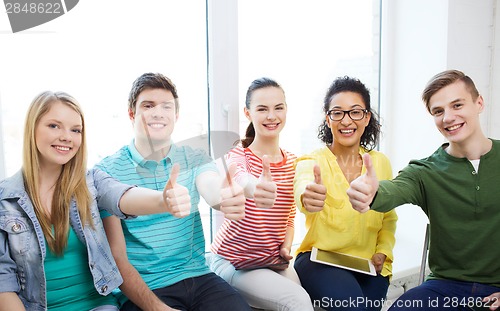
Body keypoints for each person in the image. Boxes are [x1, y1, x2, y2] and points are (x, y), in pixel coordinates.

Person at [0, 91, 191, 311]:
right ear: (32, 128)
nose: (66, 136)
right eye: (54, 126)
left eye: (75, 130)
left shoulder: (91, 181)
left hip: (98, 306)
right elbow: (4, 285)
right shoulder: (5, 199)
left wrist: (162, 201)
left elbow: (121, 195)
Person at [96, 72, 251, 311]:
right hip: (146, 287)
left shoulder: (194, 156)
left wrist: (224, 197)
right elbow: (117, 258)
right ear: (131, 113)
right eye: (148, 105)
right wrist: (158, 308)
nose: (158, 113)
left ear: (176, 115)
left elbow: (211, 187)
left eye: (166, 106)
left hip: (198, 276)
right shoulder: (106, 171)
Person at [347, 69, 500, 311]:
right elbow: (394, 190)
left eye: (457, 105)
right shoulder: (425, 171)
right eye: (438, 111)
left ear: (478, 103)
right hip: (444, 288)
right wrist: (371, 192)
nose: (448, 118)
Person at [207, 77, 313, 311]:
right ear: (248, 113)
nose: (271, 116)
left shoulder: (294, 163)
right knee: (298, 302)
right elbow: (242, 181)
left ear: (286, 110)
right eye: (262, 109)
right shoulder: (238, 155)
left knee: (303, 298)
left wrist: (286, 246)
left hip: (272, 263)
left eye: (278, 108)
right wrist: (255, 188)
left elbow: (288, 219)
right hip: (234, 264)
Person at [293, 76, 397, 311]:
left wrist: (383, 252)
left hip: (368, 266)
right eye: (337, 113)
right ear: (327, 118)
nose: (346, 120)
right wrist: (308, 196)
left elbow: (388, 218)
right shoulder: (312, 160)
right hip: (319, 261)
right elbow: (303, 186)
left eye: (355, 112)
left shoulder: (380, 163)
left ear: (367, 117)